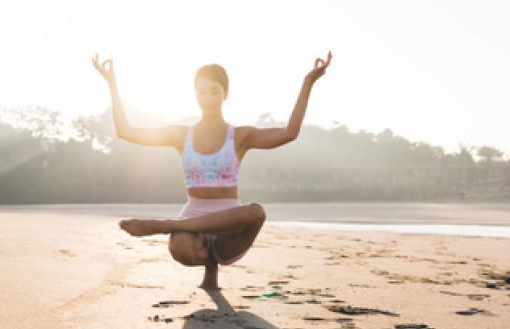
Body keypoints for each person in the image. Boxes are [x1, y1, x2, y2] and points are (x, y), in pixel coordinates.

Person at [92, 51, 332, 289]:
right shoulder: (180, 135)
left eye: (214, 91)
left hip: (230, 229)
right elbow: (125, 130)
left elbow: (289, 133)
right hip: (192, 219)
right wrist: (111, 83)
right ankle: (199, 259)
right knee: (179, 248)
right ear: (195, 94)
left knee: (256, 212)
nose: (208, 98)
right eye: (202, 92)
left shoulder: (240, 136)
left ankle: (164, 225)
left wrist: (308, 83)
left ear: (225, 94)